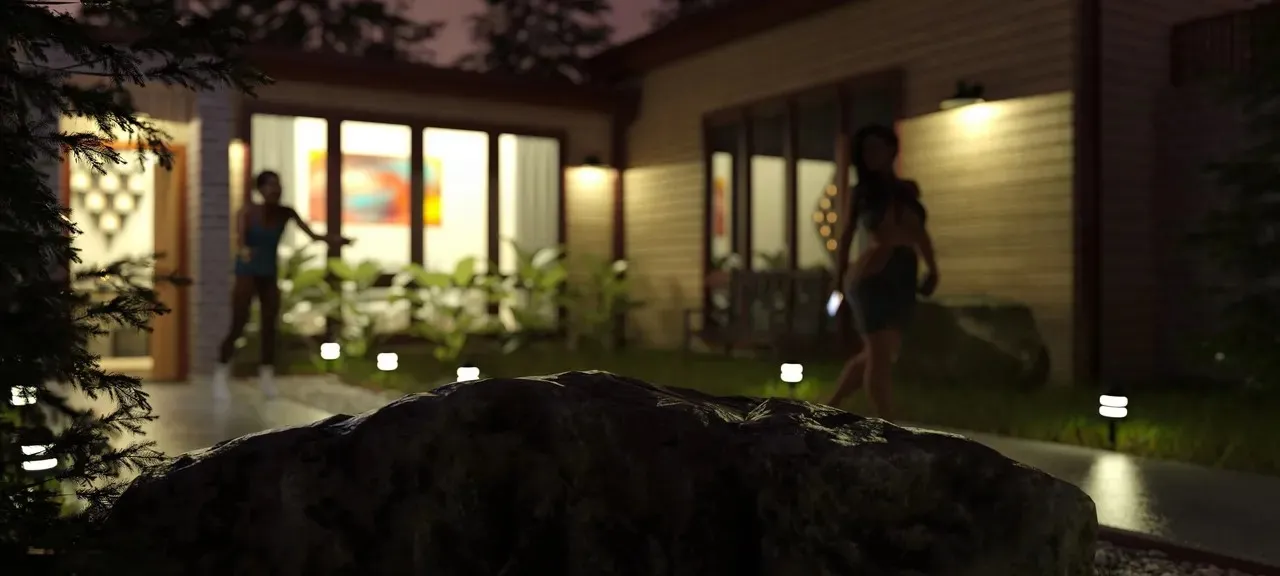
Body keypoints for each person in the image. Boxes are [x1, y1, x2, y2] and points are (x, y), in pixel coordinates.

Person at [826, 124, 939, 422]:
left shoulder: (907, 190)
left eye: (879, 147)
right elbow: (846, 236)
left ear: (891, 150)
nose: (873, 155)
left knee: (881, 352)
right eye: (867, 150)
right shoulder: (862, 193)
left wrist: (933, 267)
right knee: (878, 352)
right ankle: (886, 421)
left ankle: (830, 405)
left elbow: (920, 234)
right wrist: (838, 279)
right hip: (871, 276)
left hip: (903, 273)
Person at [211, 170, 351, 401]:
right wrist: (244, 251)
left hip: (269, 273)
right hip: (247, 273)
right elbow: (240, 239)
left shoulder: (286, 212)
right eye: (271, 185)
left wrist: (335, 240)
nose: (276, 189)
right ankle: (221, 372)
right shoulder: (248, 211)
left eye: (278, 185)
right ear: (260, 189)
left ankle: (267, 376)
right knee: (239, 323)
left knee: (270, 326)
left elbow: (312, 235)